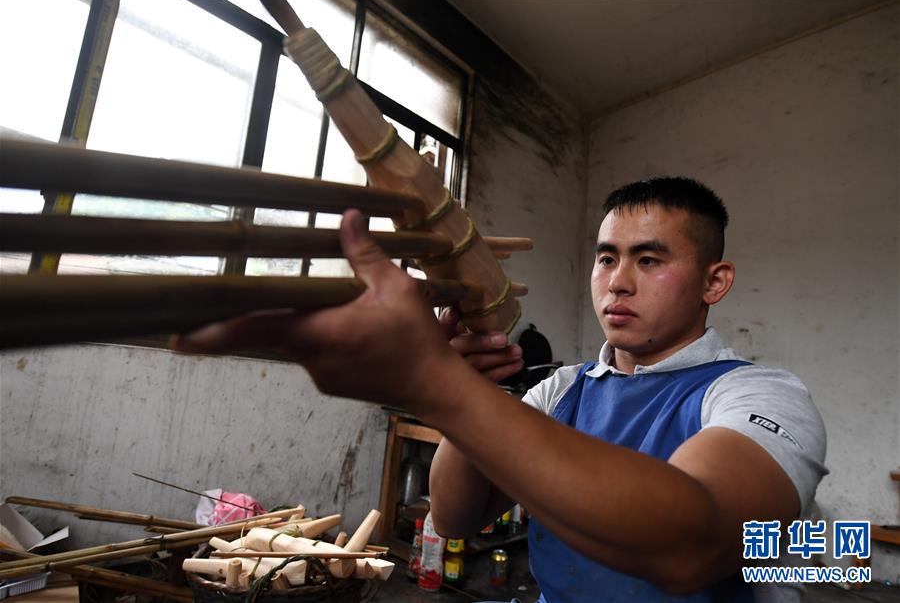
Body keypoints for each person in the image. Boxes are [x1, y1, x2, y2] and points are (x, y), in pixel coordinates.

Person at [173, 177, 827, 602]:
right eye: (606, 257)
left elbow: (692, 544)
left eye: (649, 259)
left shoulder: (758, 395)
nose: (617, 282)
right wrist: (463, 389)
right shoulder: (563, 390)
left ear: (714, 282)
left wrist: (441, 388)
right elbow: (456, 516)